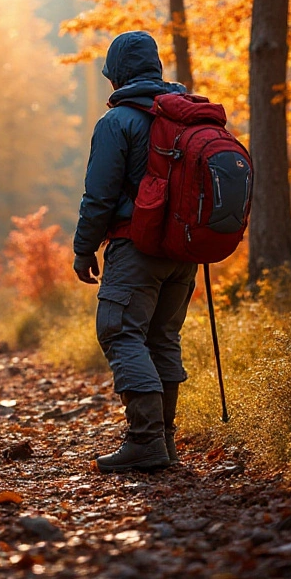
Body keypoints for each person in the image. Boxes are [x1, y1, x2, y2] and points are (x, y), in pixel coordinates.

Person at [72, 30, 197, 473]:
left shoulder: (117, 122)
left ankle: (145, 441)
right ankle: (164, 441)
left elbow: (99, 197)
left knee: (120, 332)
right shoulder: (185, 116)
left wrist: (84, 250)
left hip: (135, 247)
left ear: (119, 76)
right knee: (162, 337)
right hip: (182, 253)